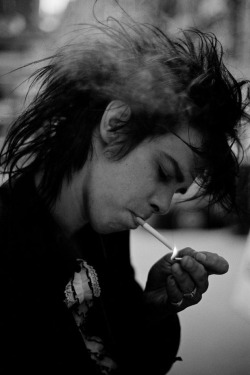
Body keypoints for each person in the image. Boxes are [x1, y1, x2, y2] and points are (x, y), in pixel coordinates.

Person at [0, 18, 249, 374]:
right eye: (164, 173)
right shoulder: (10, 241)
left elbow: (127, 358)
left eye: (178, 191)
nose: (163, 204)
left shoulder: (107, 229)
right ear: (115, 125)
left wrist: (151, 307)